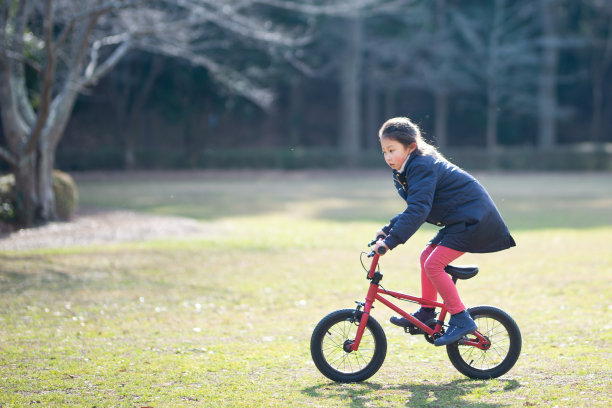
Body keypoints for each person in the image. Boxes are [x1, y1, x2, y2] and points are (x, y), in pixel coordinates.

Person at [371, 117, 515, 346]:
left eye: (392, 150)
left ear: (411, 147)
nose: (388, 157)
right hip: (458, 220)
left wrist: (391, 240)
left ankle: (461, 318)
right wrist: (388, 230)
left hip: (473, 219)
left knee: (433, 264)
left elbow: (419, 209)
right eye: (384, 151)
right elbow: (417, 206)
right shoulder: (409, 167)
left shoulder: (421, 165)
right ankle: (427, 312)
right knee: (425, 256)